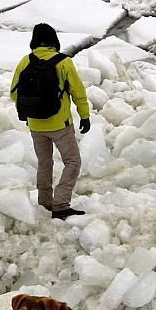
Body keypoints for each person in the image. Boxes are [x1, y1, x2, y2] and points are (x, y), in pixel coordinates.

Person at [11, 23, 92, 219]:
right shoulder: (63, 62)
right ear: (54, 40)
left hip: (36, 126)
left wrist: (35, 107)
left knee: (44, 163)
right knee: (72, 162)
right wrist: (84, 116)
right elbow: (78, 93)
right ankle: (61, 204)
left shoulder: (25, 61)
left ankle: (45, 202)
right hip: (60, 125)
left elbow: (14, 94)